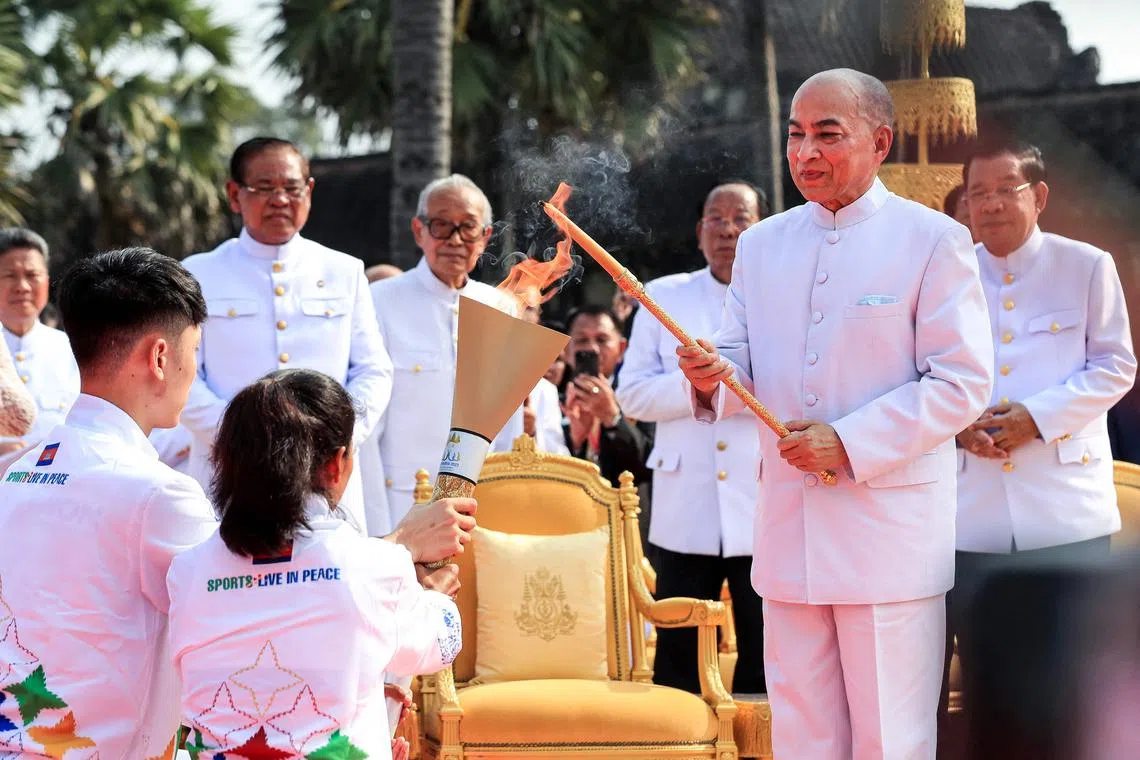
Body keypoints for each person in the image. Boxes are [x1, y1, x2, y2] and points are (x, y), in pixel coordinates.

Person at [677, 68, 994, 759]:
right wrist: (709, 377)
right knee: (802, 737)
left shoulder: (933, 240)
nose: (805, 153)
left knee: (891, 739)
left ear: (879, 142)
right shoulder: (764, 244)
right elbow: (738, 362)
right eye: (795, 135)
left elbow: (962, 381)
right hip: (790, 537)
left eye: (828, 134)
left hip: (889, 539)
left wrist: (848, 441)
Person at [167, 369, 463, 759]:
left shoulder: (187, 570)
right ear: (336, 464)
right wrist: (432, 596)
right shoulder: (374, 566)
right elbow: (442, 643)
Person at [0, 248, 219, 758]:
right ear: (161, 356)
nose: (194, 372)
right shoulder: (159, 493)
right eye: (194, 351)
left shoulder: (20, 471)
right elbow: (247, 607)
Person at [952, 140, 1135, 683]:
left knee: (1070, 680)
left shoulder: (1085, 265)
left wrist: (1036, 417)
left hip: (1064, 508)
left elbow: (1114, 366)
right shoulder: (948, 274)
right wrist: (958, 427)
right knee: (992, 678)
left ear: (1039, 195)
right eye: (977, 193)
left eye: (1006, 190)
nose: (990, 205)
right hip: (972, 510)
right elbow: (921, 374)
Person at [180, 137, 393, 534]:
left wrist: (334, 438)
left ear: (308, 191)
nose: (280, 199)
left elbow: (373, 369)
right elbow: (184, 375)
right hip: (229, 470)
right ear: (234, 194)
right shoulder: (198, 273)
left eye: (291, 187)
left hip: (327, 473)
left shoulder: (344, 271)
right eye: (264, 187)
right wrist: (243, 437)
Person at [617, 179, 768, 695]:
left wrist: (728, 386)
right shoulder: (664, 296)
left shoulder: (782, 296)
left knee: (767, 661)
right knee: (677, 665)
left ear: (761, 229)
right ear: (699, 231)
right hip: (687, 510)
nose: (727, 230)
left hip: (762, 503)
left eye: (740, 219)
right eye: (716, 219)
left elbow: (798, 389)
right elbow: (631, 395)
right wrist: (697, 386)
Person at [369, 174, 564, 532]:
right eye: (441, 226)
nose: (455, 240)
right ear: (419, 231)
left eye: (468, 228)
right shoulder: (378, 302)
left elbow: (505, 422)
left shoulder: (502, 306)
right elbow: (367, 428)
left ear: (485, 236)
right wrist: (377, 527)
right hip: (403, 504)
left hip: (482, 507)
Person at [0, 228, 80, 455]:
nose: (23, 287)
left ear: (46, 281)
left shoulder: (74, 348)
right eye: (10, 276)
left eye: (32, 275)